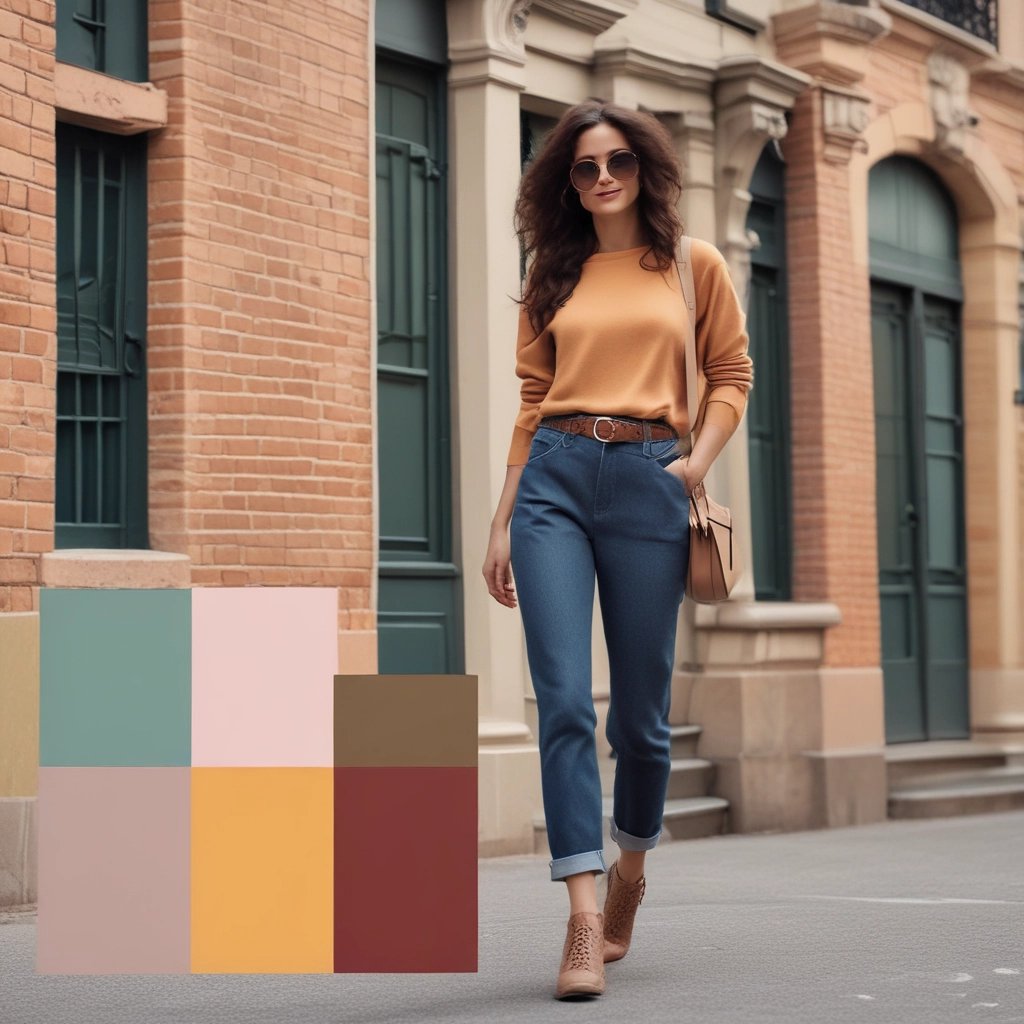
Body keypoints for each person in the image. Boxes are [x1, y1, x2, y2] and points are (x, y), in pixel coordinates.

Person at [481, 100, 753, 999]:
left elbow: (729, 373)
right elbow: (531, 395)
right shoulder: (550, 271)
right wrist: (501, 518)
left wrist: (693, 466)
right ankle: (582, 919)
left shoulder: (689, 264)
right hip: (554, 476)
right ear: (567, 180)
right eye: (585, 167)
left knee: (637, 719)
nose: (602, 178)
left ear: (647, 169)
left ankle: (632, 872)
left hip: (650, 479)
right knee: (561, 702)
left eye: (619, 162)